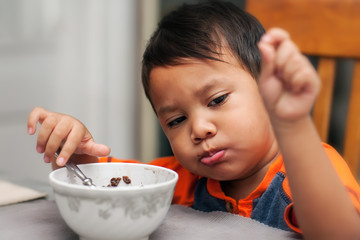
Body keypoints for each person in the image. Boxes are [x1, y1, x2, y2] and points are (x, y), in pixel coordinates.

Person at [27, 1, 360, 239]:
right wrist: (76, 150)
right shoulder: (180, 179)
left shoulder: (310, 170)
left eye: (217, 100)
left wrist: (294, 125)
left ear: (267, 89)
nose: (199, 129)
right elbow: (105, 187)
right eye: (176, 120)